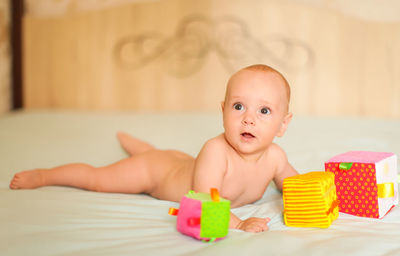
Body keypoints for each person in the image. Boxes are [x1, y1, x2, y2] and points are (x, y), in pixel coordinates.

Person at [10, 64, 298, 232]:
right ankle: (45, 176)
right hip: (156, 175)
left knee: (163, 155)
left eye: (264, 111)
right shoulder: (215, 151)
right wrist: (239, 225)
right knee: (98, 180)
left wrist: (321, 195)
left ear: (283, 125)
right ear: (223, 111)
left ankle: (141, 147)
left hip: (178, 162)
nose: (248, 117)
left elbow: (293, 185)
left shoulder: (275, 157)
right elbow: (203, 198)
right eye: (238, 106)